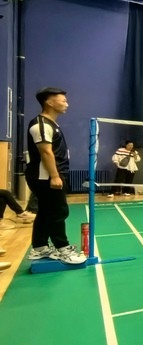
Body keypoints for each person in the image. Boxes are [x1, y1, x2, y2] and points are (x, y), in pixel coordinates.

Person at [25, 87, 86, 264]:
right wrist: (55, 176)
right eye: (63, 100)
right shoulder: (41, 125)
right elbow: (46, 152)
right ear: (49, 102)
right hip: (46, 177)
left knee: (45, 212)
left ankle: (39, 248)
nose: (67, 104)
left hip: (49, 176)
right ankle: (63, 248)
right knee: (58, 212)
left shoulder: (51, 124)